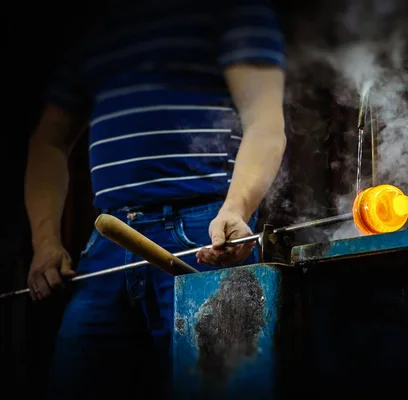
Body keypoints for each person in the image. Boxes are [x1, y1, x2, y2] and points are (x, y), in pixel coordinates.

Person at [24, 0, 286, 397]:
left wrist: (235, 209)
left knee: (220, 388)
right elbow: (48, 142)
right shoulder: (93, 28)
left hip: (203, 235)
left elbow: (264, 120)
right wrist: (44, 241)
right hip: (108, 242)